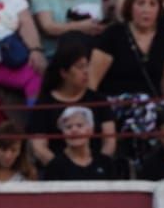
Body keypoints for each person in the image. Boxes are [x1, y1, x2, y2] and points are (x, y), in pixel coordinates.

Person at [88, 0, 164, 151]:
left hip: (151, 105)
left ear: (159, 9)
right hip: (114, 102)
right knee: (143, 105)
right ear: (130, 7)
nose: (146, 9)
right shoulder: (113, 34)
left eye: (152, 4)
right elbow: (92, 83)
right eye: (140, 3)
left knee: (158, 112)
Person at [28, 37, 107, 166]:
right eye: (80, 67)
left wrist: (97, 166)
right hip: (57, 175)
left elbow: (109, 141)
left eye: (87, 66)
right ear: (64, 73)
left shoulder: (98, 99)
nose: (86, 72)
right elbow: (39, 148)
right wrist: (64, 169)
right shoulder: (45, 104)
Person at [41, 104, 128, 179]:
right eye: (68, 127)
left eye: (79, 125)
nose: (74, 130)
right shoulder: (54, 166)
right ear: (63, 133)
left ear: (90, 130)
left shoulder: (105, 163)